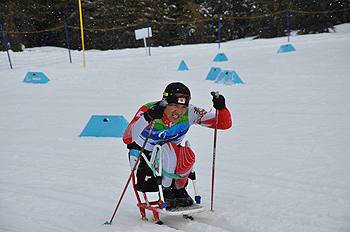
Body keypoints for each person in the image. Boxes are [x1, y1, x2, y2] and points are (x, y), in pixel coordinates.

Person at [122, 82, 232, 208]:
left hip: (171, 156)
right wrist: (147, 117)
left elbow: (223, 124)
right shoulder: (149, 109)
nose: (178, 112)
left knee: (187, 154)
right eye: (174, 106)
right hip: (145, 158)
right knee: (170, 148)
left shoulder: (191, 112)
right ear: (165, 103)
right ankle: (166, 191)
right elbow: (127, 138)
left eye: (183, 107)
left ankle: (179, 190)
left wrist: (221, 109)